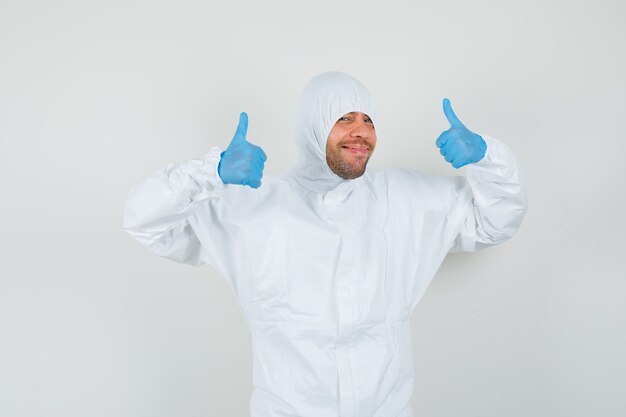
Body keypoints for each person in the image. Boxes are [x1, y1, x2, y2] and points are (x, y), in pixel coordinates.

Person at [123, 71, 528, 417]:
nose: (360, 131)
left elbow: (494, 222)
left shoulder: (405, 199)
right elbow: (144, 221)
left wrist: (486, 158)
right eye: (343, 118)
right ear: (313, 126)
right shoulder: (251, 206)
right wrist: (209, 172)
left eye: (368, 119)